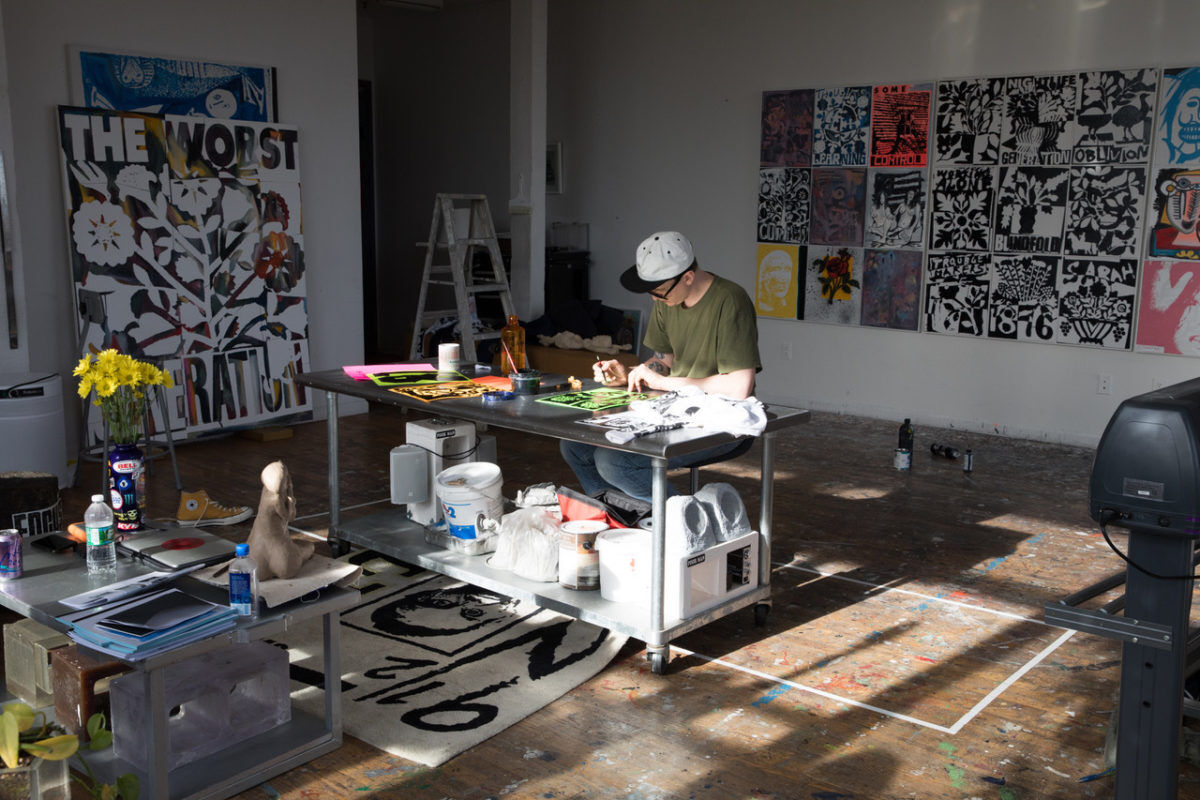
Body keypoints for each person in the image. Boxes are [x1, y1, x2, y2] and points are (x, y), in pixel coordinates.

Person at [560, 231, 762, 502]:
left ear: (687, 277)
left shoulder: (731, 301)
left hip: (723, 419)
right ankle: (624, 516)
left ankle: (685, 523)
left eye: (658, 291)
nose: (655, 299)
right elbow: (666, 362)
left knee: (614, 463)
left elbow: (738, 387)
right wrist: (631, 375)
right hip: (675, 409)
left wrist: (663, 382)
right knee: (574, 447)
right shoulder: (668, 299)